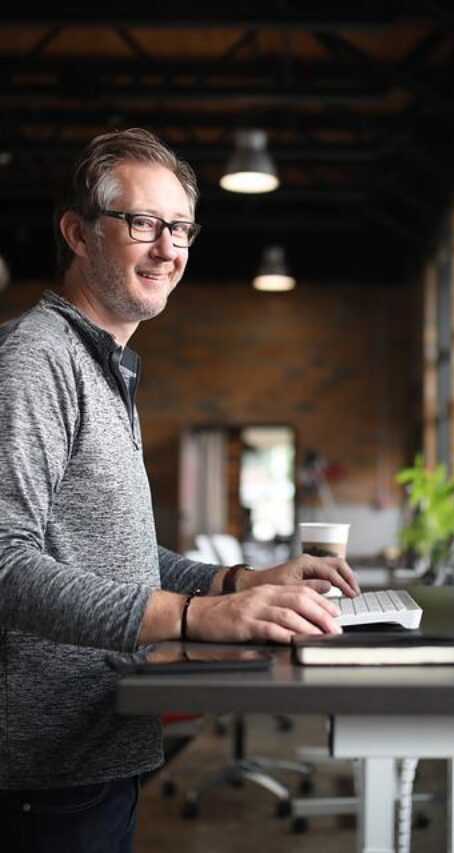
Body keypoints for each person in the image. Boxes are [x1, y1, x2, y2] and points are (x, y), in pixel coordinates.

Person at [0, 127, 360, 852]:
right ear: (77, 232)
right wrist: (196, 615)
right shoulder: (37, 359)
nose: (168, 248)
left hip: (92, 748)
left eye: (181, 228)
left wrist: (239, 580)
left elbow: (116, 556)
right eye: (142, 223)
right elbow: (6, 565)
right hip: (40, 771)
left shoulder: (103, 364)